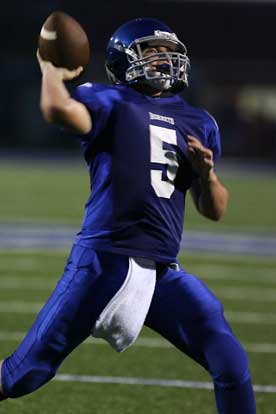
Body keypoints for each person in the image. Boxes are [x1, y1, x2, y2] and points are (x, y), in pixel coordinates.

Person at [0, 17, 256, 413]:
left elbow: (214, 209)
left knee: (230, 361)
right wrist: (51, 69)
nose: (164, 58)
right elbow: (55, 109)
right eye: (152, 51)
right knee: (23, 375)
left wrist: (206, 175)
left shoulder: (199, 122)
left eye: (168, 52)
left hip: (161, 273)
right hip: (102, 262)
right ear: (125, 60)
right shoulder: (108, 101)